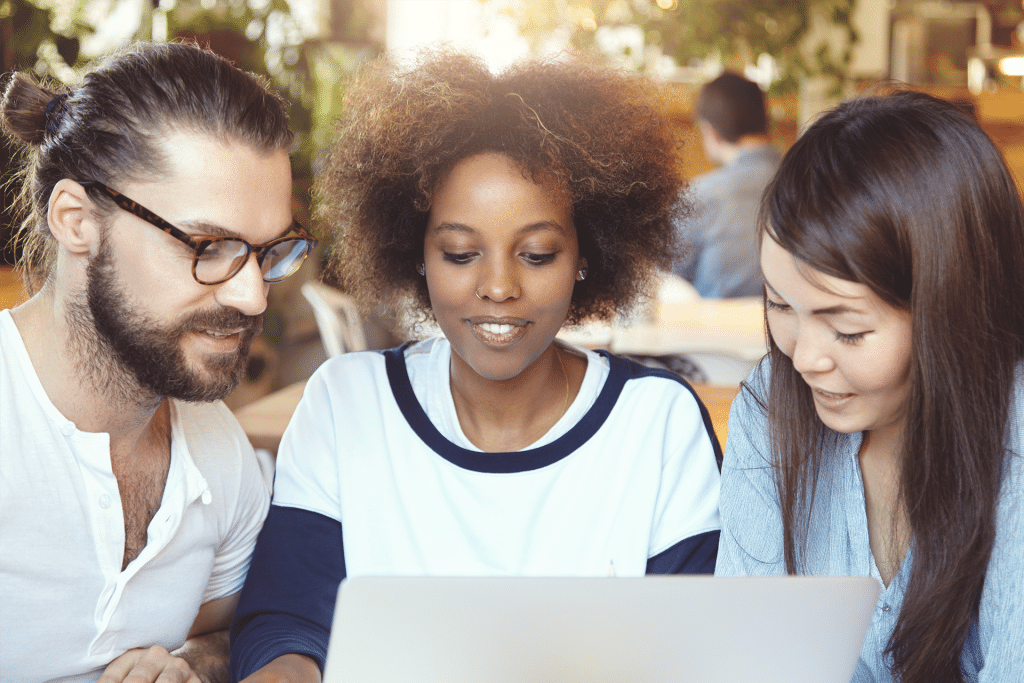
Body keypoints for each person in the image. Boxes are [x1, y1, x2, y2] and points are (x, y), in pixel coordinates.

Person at [229, 50, 723, 682]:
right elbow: (286, 622)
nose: (498, 287)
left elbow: (695, 655)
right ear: (417, 254)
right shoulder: (347, 403)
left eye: (538, 254)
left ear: (585, 254)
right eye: (460, 253)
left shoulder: (656, 425)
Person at [0, 41, 317, 683]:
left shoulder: (220, 452)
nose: (253, 294)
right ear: (77, 220)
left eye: (267, 252)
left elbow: (237, 627)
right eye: (207, 245)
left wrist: (194, 664)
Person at [716, 89, 1024, 683]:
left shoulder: (1013, 438)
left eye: (849, 331)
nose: (803, 359)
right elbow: (750, 657)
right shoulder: (772, 404)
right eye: (780, 305)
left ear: (952, 310)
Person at [673, 71, 780, 298]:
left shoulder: (698, 195)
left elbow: (666, 279)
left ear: (710, 131)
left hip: (716, 330)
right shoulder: (813, 184)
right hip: (796, 330)